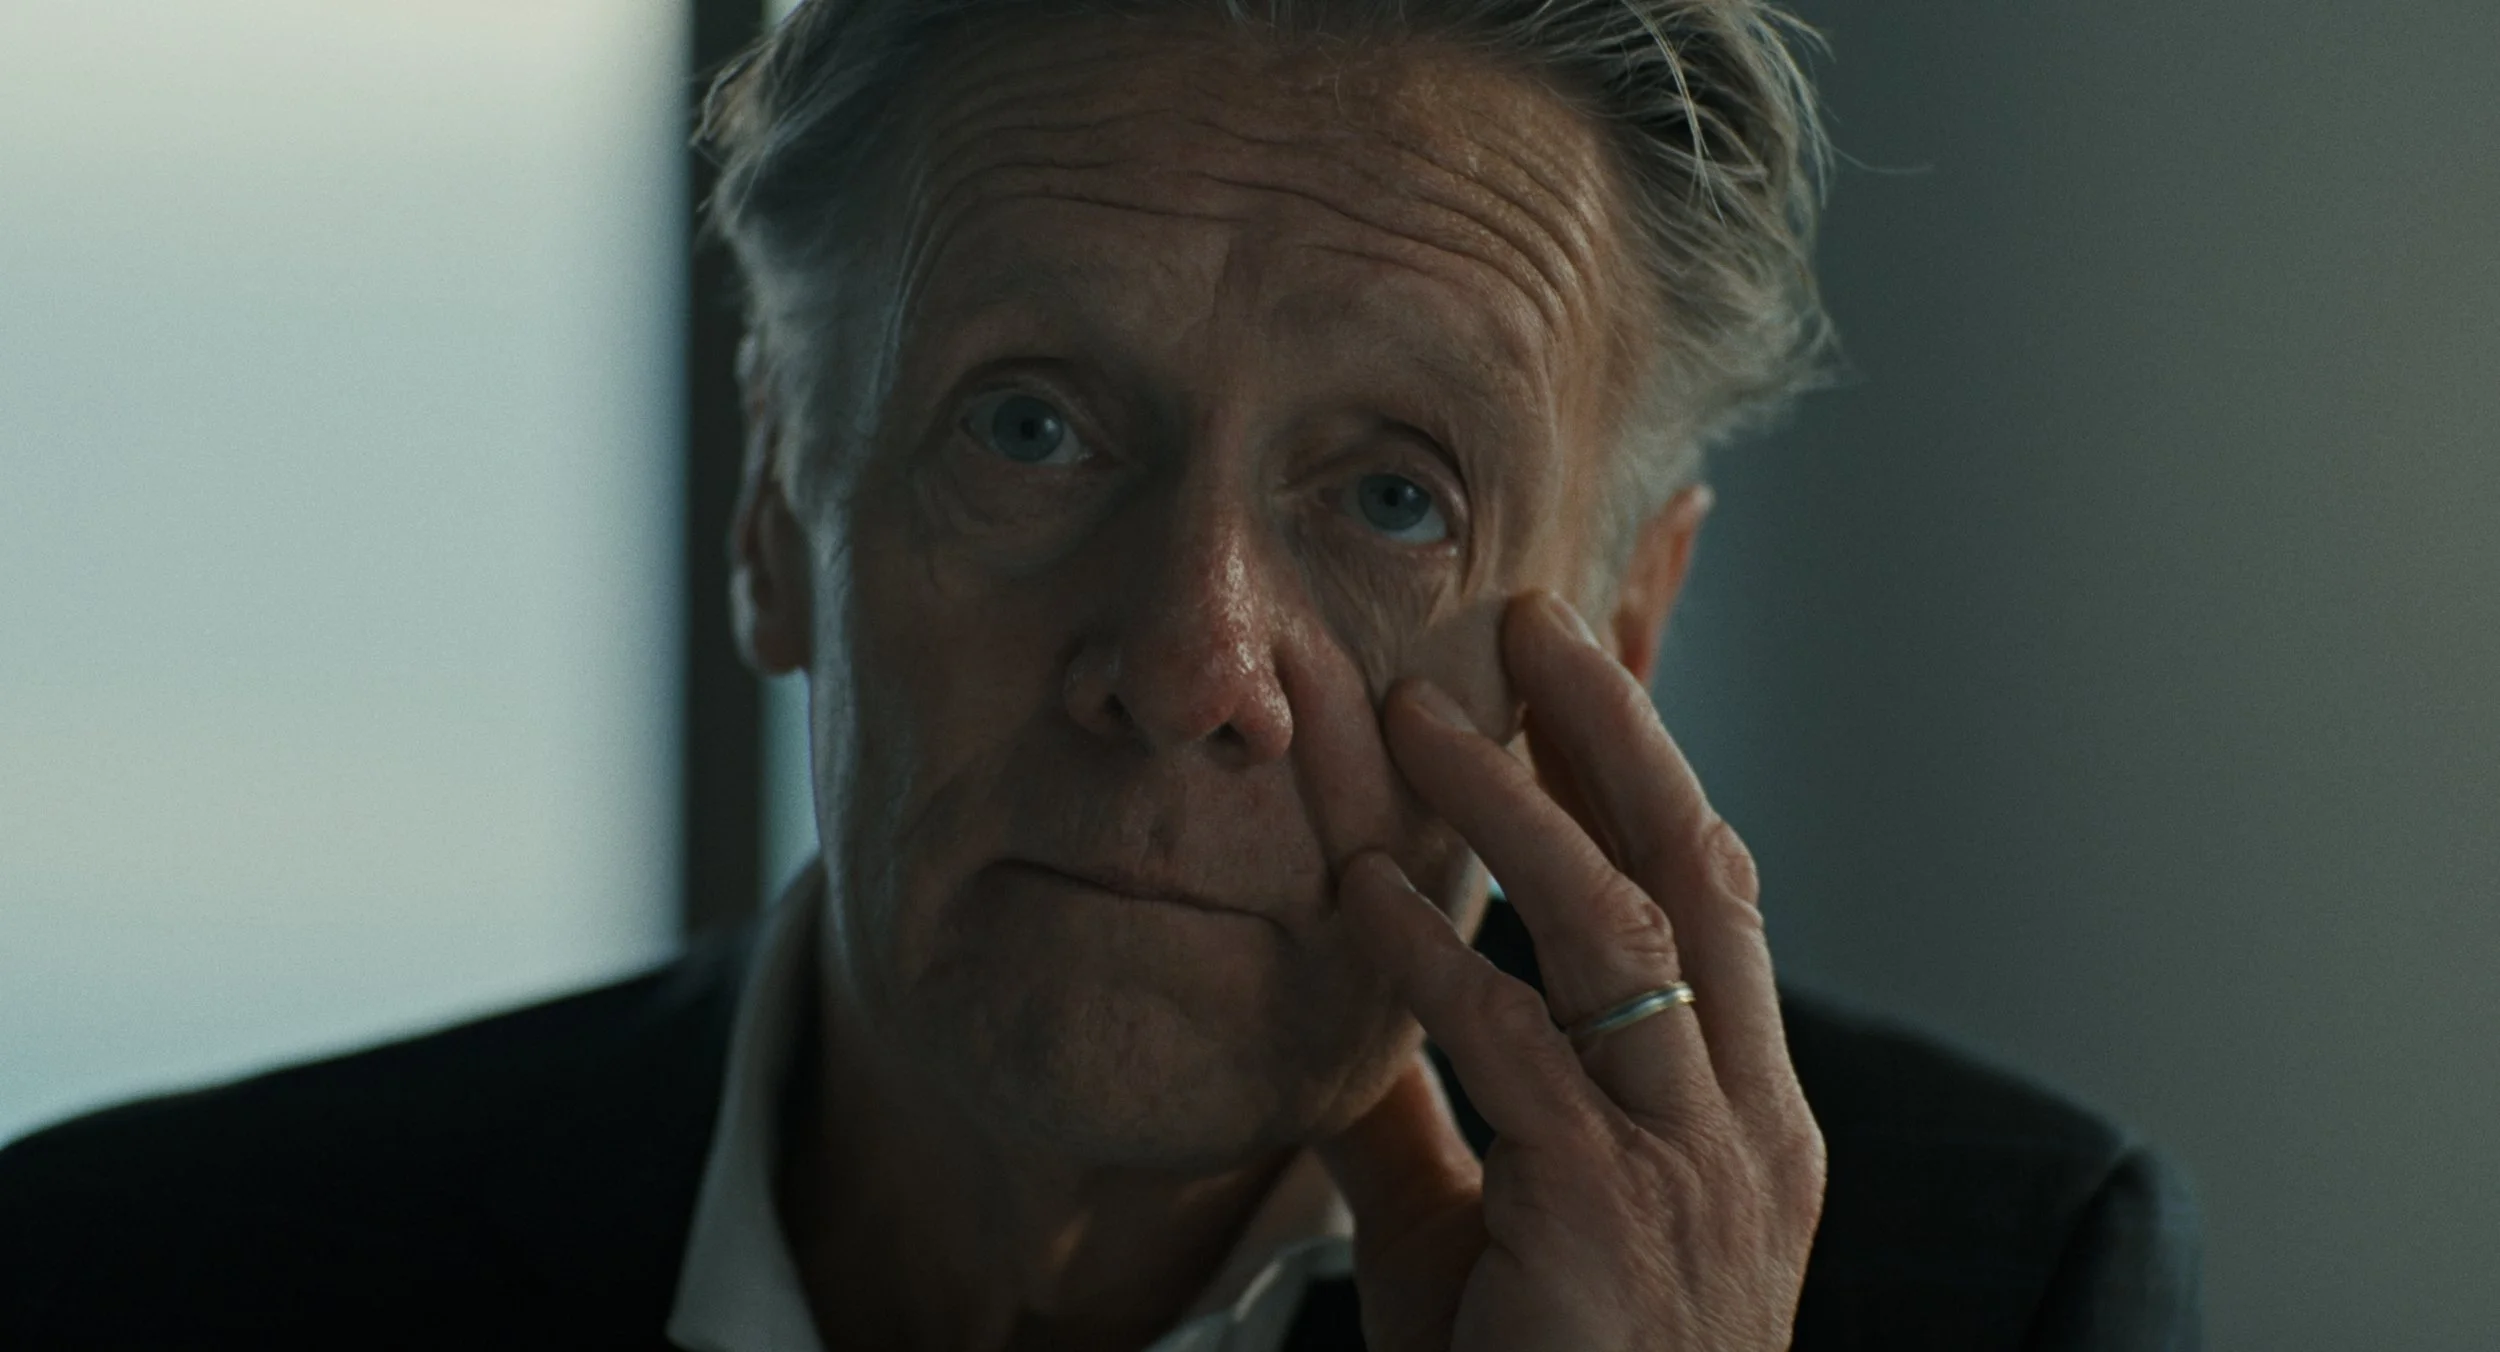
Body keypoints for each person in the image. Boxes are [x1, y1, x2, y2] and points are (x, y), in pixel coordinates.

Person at [0, 1, 2201, 1347]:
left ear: (1618, 630)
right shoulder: (128, 1278)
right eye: (1030, 427)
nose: (1187, 664)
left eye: (1394, 496)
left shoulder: (1988, 1283)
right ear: (772, 510)